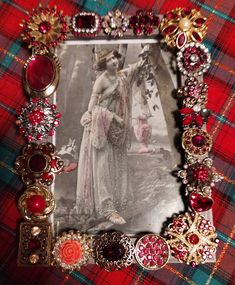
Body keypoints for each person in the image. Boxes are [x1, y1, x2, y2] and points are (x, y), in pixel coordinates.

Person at [76, 48, 145, 227]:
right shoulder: (101, 81)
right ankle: (107, 208)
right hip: (101, 125)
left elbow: (135, 69)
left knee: (117, 162)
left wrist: (146, 52)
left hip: (117, 127)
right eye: (109, 60)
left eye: (114, 57)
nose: (114, 61)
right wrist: (112, 116)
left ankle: (118, 202)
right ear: (103, 65)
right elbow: (92, 107)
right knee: (103, 164)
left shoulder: (121, 76)